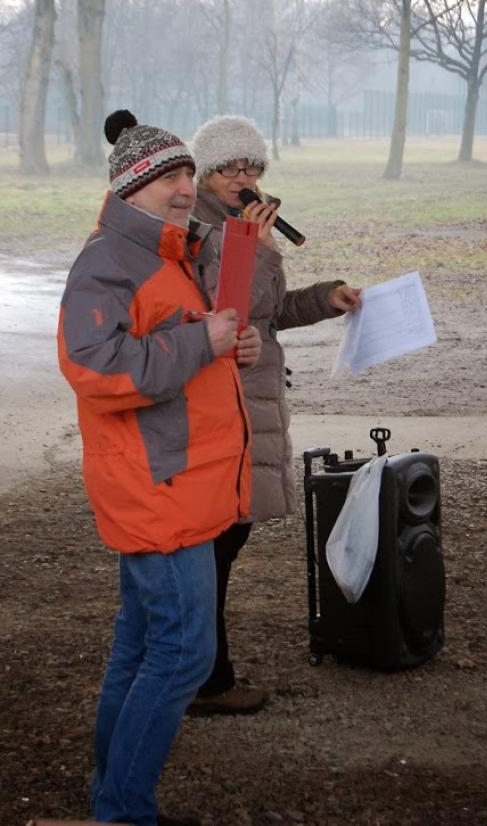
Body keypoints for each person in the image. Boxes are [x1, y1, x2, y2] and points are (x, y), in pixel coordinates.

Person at [57, 109, 261, 826]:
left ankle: (112, 801)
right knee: (182, 656)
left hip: (180, 481)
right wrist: (202, 343)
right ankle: (122, 811)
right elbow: (95, 366)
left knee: (142, 645)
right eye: (169, 177)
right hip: (157, 487)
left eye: (186, 174)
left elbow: (175, 343)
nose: (184, 189)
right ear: (130, 186)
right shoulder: (110, 261)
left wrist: (229, 348)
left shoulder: (172, 251)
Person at [187, 115, 361, 717]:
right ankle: (207, 679)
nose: (244, 178)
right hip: (227, 393)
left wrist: (325, 298)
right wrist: (258, 251)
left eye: (253, 167)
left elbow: (268, 310)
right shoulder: (199, 228)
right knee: (216, 539)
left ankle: (206, 671)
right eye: (230, 168)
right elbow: (230, 310)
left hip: (256, 394)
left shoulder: (240, 224)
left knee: (228, 535)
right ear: (204, 173)